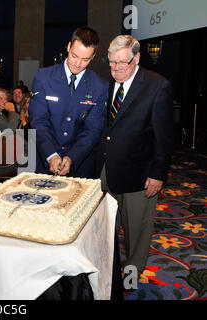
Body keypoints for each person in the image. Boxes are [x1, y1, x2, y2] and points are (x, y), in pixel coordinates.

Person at [96, 35, 173, 278]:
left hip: (139, 176)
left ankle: (131, 275)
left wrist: (158, 174)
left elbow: (164, 137)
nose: (116, 69)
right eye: (111, 63)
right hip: (106, 171)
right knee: (105, 228)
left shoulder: (157, 86)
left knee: (135, 232)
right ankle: (108, 272)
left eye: (122, 63)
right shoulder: (107, 84)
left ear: (136, 58)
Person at [29, 27, 108, 178]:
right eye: (74, 56)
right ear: (68, 47)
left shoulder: (100, 86)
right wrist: (51, 154)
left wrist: (72, 157)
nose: (78, 64)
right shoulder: (43, 77)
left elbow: (92, 130)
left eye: (85, 59)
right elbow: (38, 121)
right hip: (45, 160)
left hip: (80, 165)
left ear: (93, 57)